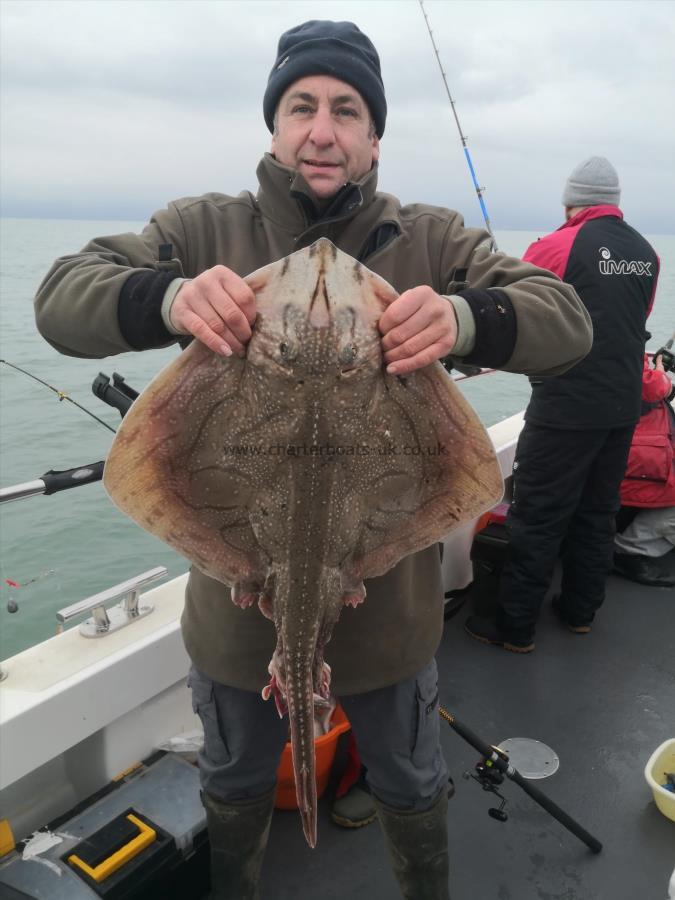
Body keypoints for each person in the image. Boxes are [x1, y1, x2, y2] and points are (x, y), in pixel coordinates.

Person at [34, 20, 592, 900]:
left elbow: (566, 321)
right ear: (275, 125)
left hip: (391, 620)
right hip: (231, 617)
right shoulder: (201, 227)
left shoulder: (431, 239)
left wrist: (465, 318)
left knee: (411, 780)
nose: (322, 129)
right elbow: (61, 299)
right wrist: (171, 297)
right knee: (233, 781)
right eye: (301, 106)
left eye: (345, 109)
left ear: (373, 136)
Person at [465, 156, 660, 654]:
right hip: (622, 407)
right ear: (614, 203)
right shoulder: (646, 254)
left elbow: (514, 307)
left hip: (565, 406)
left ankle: (515, 628)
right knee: (598, 512)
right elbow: (636, 317)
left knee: (538, 515)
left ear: (571, 201)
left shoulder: (555, 245)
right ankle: (578, 614)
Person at [613, 351, 675, 586]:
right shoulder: (641, 389)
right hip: (636, 474)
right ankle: (627, 552)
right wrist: (660, 380)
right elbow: (648, 387)